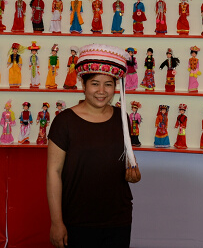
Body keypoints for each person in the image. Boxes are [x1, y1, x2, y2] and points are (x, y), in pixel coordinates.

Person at [47, 44, 141, 248]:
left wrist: (132, 172)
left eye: (108, 84)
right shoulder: (64, 121)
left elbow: (120, 161)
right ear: (83, 84)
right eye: (95, 84)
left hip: (118, 219)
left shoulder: (121, 117)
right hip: (77, 220)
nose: (102, 91)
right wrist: (56, 222)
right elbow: (54, 172)